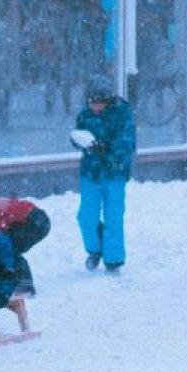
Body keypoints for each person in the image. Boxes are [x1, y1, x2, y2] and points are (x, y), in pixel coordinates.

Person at [70, 74, 136, 273]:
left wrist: (105, 151)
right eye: (91, 101)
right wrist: (80, 141)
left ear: (108, 100)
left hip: (115, 174)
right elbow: (78, 135)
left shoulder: (123, 115)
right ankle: (94, 249)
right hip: (90, 173)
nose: (94, 106)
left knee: (113, 216)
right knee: (86, 216)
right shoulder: (85, 115)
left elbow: (126, 144)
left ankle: (113, 258)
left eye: (98, 102)